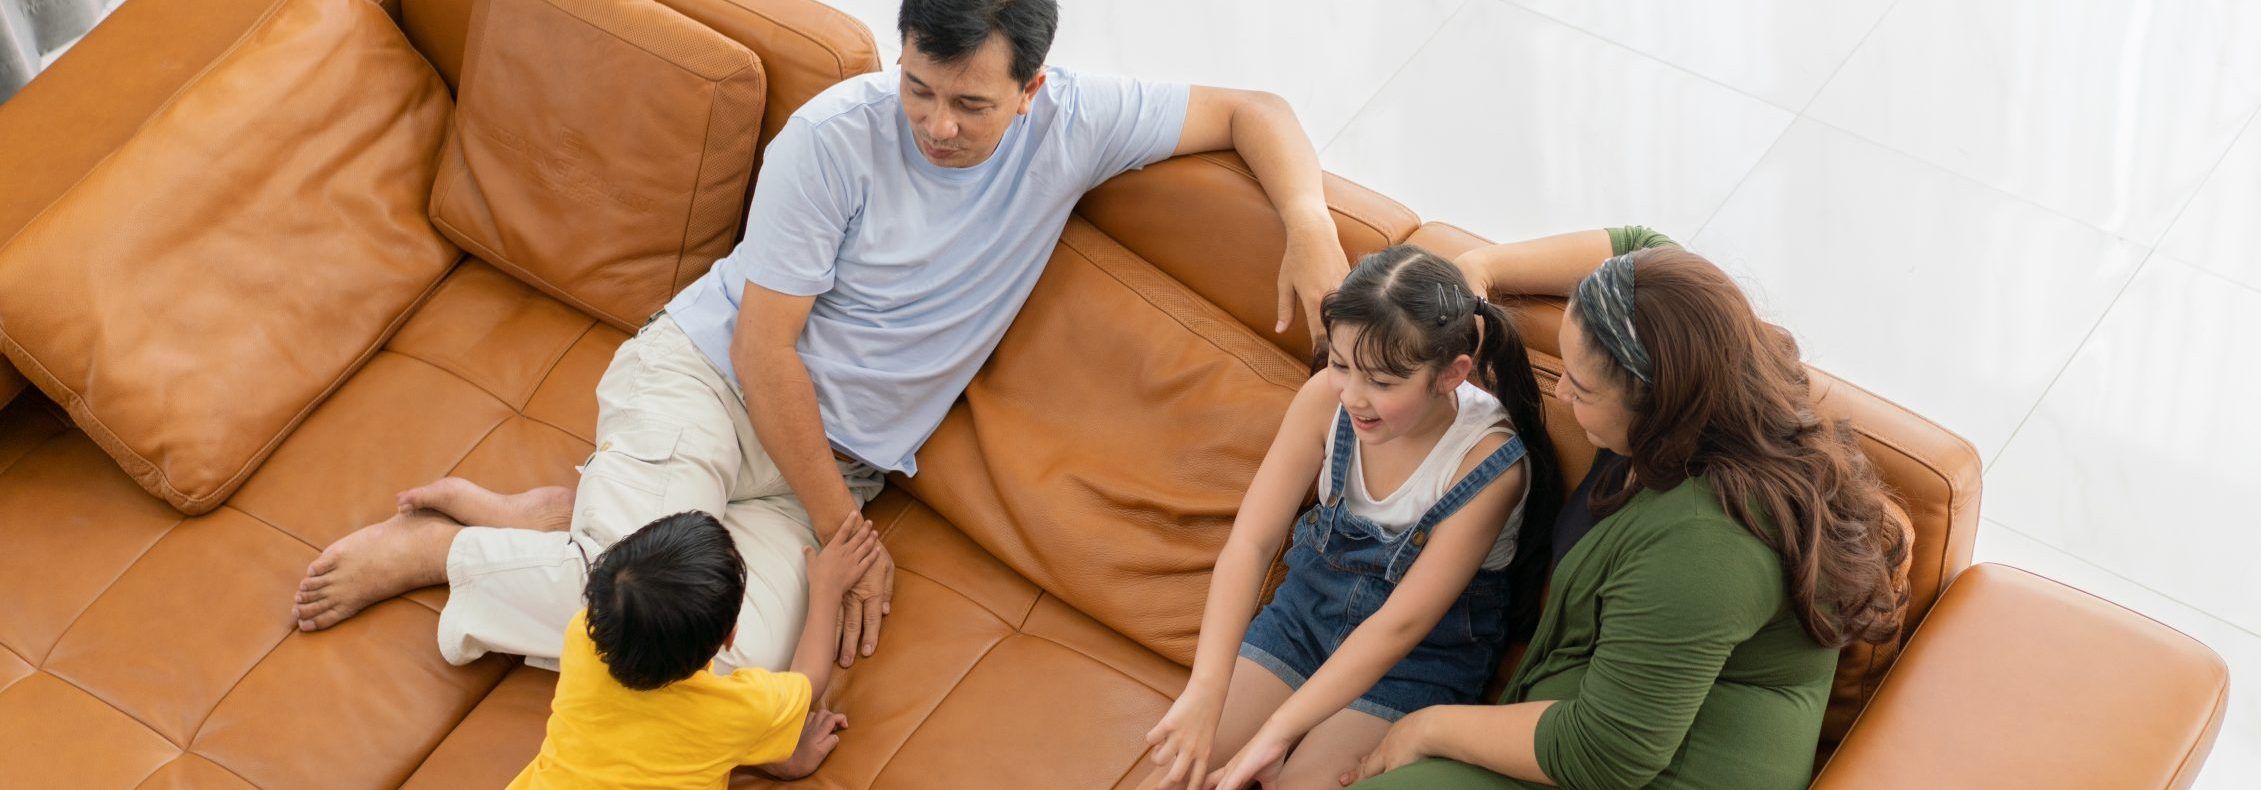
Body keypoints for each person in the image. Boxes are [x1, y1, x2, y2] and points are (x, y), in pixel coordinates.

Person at [287, 0, 1354, 679]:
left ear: (1032, 93)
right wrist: (849, 540)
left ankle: (552, 522)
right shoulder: (833, 140)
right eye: (918, 88)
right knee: (640, 617)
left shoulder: (1079, 121)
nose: (936, 125)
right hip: (709, 386)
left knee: (713, 665)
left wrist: (1307, 224)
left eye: (971, 105)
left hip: (818, 470)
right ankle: (446, 553)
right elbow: (761, 354)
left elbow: (1254, 109)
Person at [1340, 228, 1912, 790]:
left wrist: (1425, 729)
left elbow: (1607, 753)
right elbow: (1639, 249)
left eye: (1583, 389)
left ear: (1660, 404)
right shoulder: (1703, 362)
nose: (1561, 392)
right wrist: (1477, 268)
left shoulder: (1707, 544)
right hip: (1577, 730)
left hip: (1637, 767)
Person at [1141, 246, 1564, 790]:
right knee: (1174, 776)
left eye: (1383, 383)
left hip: (1415, 660)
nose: (1354, 396)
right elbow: (1250, 543)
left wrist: (1275, 734)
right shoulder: (1325, 400)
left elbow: (1400, 627)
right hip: (1303, 618)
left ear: (1451, 374)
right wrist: (1205, 691)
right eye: (1341, 365)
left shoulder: (1487, 466)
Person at [508, 509, 884, 787]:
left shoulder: (581, 637)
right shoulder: (738, 711)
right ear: (729, 637)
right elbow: (809, 680)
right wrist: (827, 589)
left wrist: (764, 748)